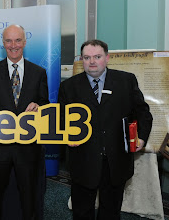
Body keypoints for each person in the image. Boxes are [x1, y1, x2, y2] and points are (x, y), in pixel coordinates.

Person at [58, 39, 153, 220]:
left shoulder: (126, 81)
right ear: (82, 59)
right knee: (82, 212)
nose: (92, 61)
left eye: (97, 56)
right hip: (83, 160)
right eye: (87, 57)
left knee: (110, 212)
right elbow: (60, 119)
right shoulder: (69, 86)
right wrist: (65, 135)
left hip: (116, 161)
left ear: (107, 58)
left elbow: (143, 113)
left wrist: (140, 138)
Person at [0, 24, 50, 220]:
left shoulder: (39, 72)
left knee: (29, 198)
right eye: (9, 41)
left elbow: (45, 104)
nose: (13, 45)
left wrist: (39, 105)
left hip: (28, 148)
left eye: (17, 40)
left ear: (25, 42)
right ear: (3, 44)